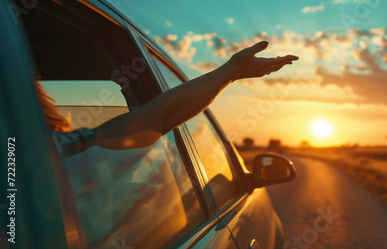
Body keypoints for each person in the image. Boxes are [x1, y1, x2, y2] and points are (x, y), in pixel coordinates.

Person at [38, 41, 299, 154]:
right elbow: (156, 120)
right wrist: (229, 73)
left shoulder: (51, 148)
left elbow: (155, 120)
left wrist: (230, 73)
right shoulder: (58, 149)